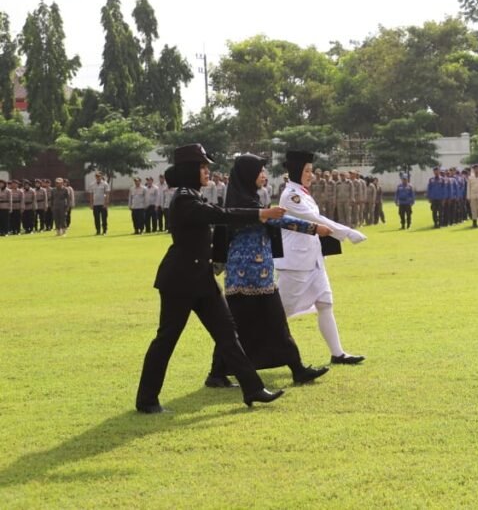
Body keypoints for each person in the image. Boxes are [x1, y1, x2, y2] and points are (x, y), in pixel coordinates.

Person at [136, 145, 286, 414]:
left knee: (228, 333)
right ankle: (146, 399)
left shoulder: (193, 195)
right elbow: (222, 216)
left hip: (201, 279)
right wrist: (259, 213)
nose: (208, 171)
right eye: (203, 167)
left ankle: (252, 388)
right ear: (190, 170)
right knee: (167, 339)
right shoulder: (184, 199)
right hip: (180, 280)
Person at [206, 154, 331, 388]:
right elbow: (278, 221)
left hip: (263, 275)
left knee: (276, 322)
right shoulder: (239, 205)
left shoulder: (253, 199)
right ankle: (216, 373)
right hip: (243, 277)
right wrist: (314, 228)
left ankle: (297, 368)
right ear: (247, 175)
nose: (264, 175)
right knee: (235, 327)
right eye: (260, 171)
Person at [275, 150, 367, 365]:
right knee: (278, 314)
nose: (311, 175)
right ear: (297, 171)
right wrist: (347, 233)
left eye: (311, 171)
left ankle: (338, 354)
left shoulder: (302, 192)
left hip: (313, 259)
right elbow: (315, 219)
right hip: (295, 263)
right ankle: (242, 354)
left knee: (325, 303)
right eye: (307, 171)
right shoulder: (291, 195)